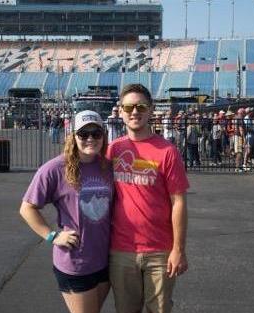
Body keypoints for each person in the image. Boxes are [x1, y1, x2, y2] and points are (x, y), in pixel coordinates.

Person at [19, 110, 113, 313]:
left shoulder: (107, 166)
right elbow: (27, 208)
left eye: (96, 133)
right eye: (83, 134)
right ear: (73, 136)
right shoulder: (54, 169)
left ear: (103, 136)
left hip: (105, 260)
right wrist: (53, 236)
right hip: (76, 262)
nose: (90, 139)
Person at [107, 84, 189, 313]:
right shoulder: (113, 149)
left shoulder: (167, 151)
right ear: (121, 111)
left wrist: (178, 249)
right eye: (129, 107)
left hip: (159, 251)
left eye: (141, 106)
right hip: (121, 250)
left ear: (151, 110)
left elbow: (179, 202)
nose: (135, 111)